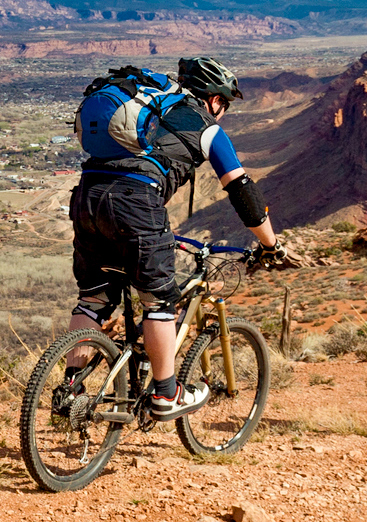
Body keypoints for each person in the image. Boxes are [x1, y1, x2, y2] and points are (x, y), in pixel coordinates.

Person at [61, 56, 295, 419]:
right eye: (225, 104)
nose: (224, 112)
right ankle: (166, 395)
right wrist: (270, 245)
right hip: (136, 205)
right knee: (158, 305)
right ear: (214, 99)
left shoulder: (152, 105)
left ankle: (69, 389)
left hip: (86, 198)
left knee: (92, 299)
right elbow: (243, 193)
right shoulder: (207, 128)